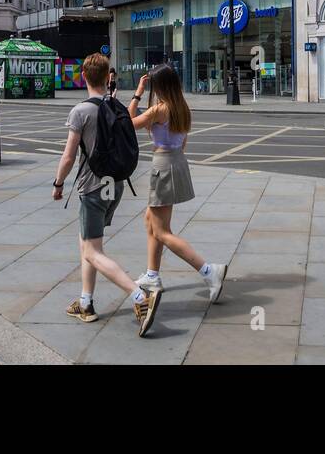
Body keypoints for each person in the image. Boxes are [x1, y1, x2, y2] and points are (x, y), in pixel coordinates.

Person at [52, 52, 161, 336]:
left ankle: (140, 297)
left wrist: (58, 183)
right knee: (86, 242)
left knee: (92, 250)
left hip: (93, 187)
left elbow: (68, 156)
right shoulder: (117, 106)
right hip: (117, 184)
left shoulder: (80, 111)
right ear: (107, 77)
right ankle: (85, 302)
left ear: (84, 77)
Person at [128, 64, 227, 302]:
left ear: (160, 86)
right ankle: (152, 274)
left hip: (163, 165)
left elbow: (128, 122)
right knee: (150, 220)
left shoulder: (158, 110)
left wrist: (137, 93)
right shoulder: (182, 107)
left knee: (162, 231)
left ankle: (208, 271)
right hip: (177, 162)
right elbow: (183, 142)